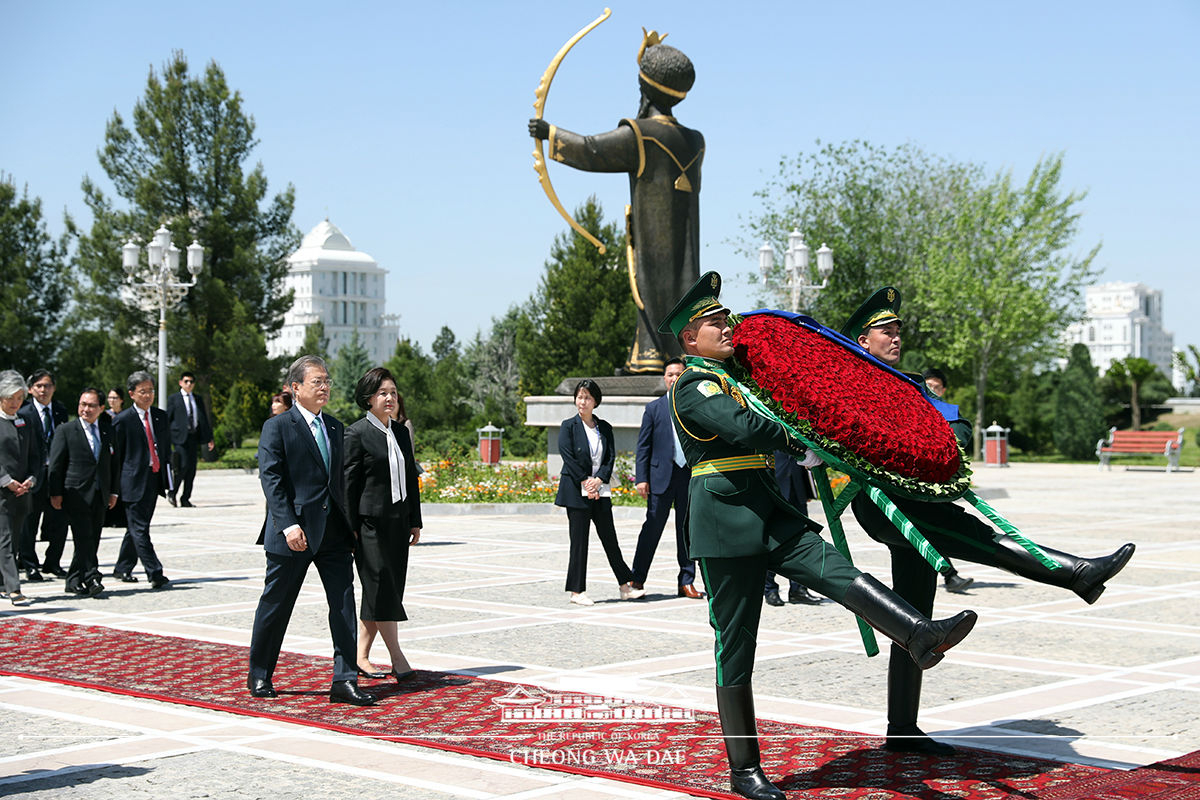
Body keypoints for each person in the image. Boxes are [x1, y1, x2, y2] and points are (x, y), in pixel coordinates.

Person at [659, 272, 977, 800]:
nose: (725, 325)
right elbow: (740, 427)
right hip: (723, 518)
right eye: (713, 321)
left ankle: (917, 633)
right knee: (735, 644)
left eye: (723, 316)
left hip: (767, 507)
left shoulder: (735, 377)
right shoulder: (694, 386)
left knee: (835, 570)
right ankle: (744, 768)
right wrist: (797, 437)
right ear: (690, 339)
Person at [843, 287, 1136, 756]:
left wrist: (941, 443)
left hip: (920, 498)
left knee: (911, 614)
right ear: (863, 339)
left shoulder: (912, 383)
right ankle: (1076, 574)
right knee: (981, 539)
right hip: (884, 505)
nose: (895, 338)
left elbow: (954, 425)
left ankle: (901, 727)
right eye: (885, 331)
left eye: (899, 330)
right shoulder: (850, 383)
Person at [529, 32, 703, 373]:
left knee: (650, 285)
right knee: (679, 287)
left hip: (653, 239)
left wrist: (549, 133)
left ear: (645, 88)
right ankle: (671, 353)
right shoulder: (695, 141)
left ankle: (654, 355)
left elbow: (592, 149)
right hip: (684, 245)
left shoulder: (640, 134)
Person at [248, 355, 374, 706]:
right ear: (295, 388)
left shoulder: (334, 427)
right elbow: (271, 479)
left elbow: (341, 482)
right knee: (276, 604)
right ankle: (260, 673)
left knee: (344, 604)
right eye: (317, 381)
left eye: (327, 381)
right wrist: (288, 524)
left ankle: (344, 679)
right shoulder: (278, 426)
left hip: (333, 532)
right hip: (293, 533)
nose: (325, 387)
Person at [344, 367, 422, 682]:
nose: (389, 398)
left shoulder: (401, 432)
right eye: (382, 393)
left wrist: (415, 520)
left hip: (398, 524)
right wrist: (348, 528)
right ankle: (397, 657)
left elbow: (410, 481)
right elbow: (347, 486)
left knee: (385, 590)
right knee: (381, 587)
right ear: (368, 398)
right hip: (368, 526)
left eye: (392, 392)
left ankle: (360, 655)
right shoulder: (356, 433)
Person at [554, 379, 643, 606]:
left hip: (600, 490)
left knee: (610, 539)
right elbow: (568, 457)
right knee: (579, 542)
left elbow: (609, 457)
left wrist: (599, 480)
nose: (582, 402)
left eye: (587, 398)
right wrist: (586, 482)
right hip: (576, 491)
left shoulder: (604, 428)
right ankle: (577, 591)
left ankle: (625, 586)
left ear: (595, 401)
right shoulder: (568, 426)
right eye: (579, 397)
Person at [631, 358, 701, 598]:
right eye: (670, 374)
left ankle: (686, 581)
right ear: (665, 378)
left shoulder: (695, 407)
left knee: (688, 532)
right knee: (652, 529)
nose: (674, 378)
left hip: (688, 475)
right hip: (660, 476)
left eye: (678, 374)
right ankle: (637, 579)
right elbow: (643, 447)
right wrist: (642, 478)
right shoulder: (654, 409)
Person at [48, 388, 118, 597]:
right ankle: (92, 576)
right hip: (74, 493)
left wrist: (114, 492)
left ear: (101, 408)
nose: (85, 409)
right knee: (83, 535)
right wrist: (55, 493)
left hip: (100, 492)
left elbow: (114, 464)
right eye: (82, 404)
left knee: (93, 537)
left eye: (91, 405)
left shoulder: (107, 431)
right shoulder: (66, 430)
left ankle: (73, 580)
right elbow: (56, 465)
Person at [111, 371, 173, 589]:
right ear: (132, 394)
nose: (148, 396)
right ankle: (154, 571)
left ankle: (122, 567)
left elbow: (165, 450)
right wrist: (114, 487)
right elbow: (116, 457)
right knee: (140, 529)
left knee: (137, 526)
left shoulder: (160, 416)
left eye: (151, 391)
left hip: (153, 477)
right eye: (143, 391)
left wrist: (169, 482)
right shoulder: (122, 420)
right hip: (132, 481)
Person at [919, 367, 973, 595]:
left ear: (944, 389)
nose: (932, 390)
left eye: (936, 387)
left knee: (931, 532)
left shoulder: (950, 417)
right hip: (918, 486)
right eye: (928, 386)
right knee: (927, 532)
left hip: (939, 485)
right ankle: (949, 574)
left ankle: (948, 574)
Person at [17, 369, 69, 582]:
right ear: (30, 390)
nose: (43, 390)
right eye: (38, 386)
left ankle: (53, 562)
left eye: (47, 385)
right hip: (33, 474)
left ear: (54, 388)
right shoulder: (24, 413)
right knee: (29, 522)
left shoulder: (60, 410)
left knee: (59, 520)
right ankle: (29, 563)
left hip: (56, 473)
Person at [763, 452, 822, 607]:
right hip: (775, 484)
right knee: (773, 541)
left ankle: (798, 589)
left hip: (796, 485)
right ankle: (770, 589)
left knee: (800, 540)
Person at [0, 371, 37, 606]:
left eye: (19, 398)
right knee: (3, 538)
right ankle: (14, 588)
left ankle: (3, 583)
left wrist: (31, 479)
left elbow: (35, 454)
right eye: (10, 398)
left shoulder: (26, 421)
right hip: (2, 489)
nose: (15, 403)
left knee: (13, 539)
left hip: (22, 490)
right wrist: (6, 480)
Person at [166, 371, 214, 508]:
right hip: (179, 438)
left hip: (193, 437)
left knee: (191, 469)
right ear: (180, 383)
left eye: (191, 382)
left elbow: (204, 418)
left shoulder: (197, 399)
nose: (189, 384)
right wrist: (165, 437)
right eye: (186, 381)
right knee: (182, 466)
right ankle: (172, 492)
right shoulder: (174, 399)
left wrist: (209, 437)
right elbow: (168, 418)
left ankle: (185, 498)